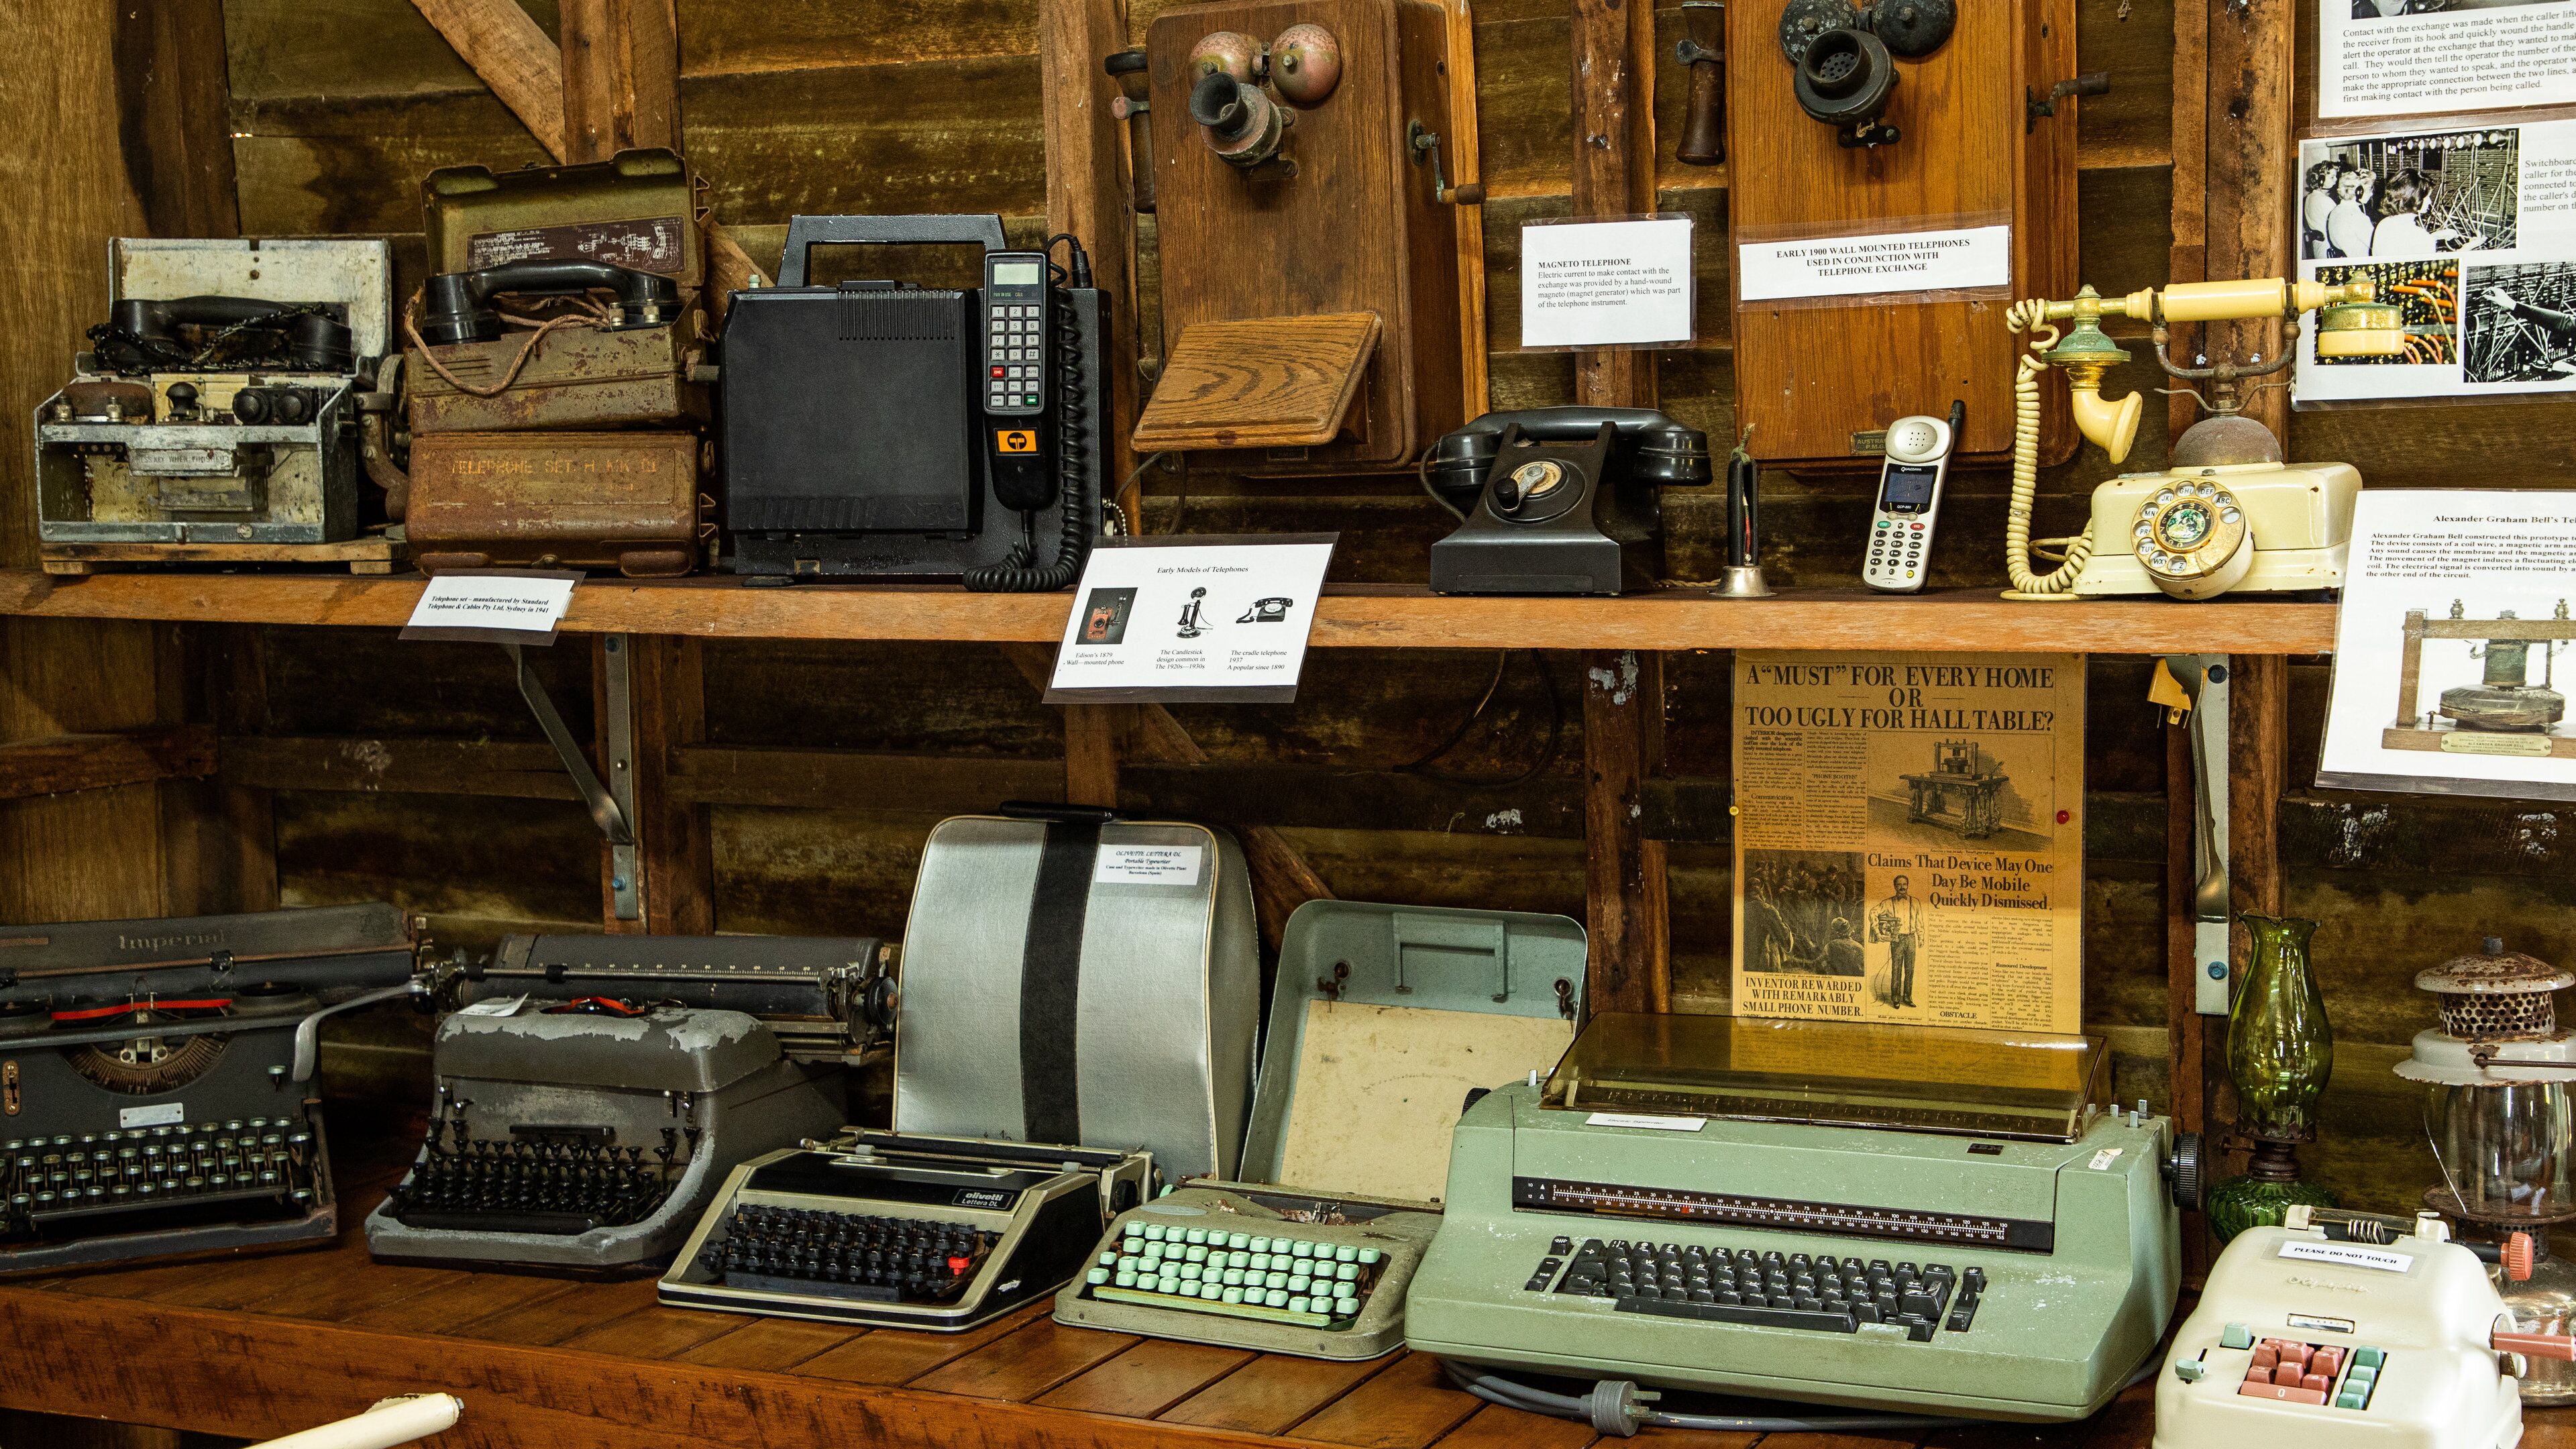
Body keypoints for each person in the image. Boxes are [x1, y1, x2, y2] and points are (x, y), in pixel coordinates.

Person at [2371, 168, 2464, 256]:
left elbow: (2405, 245)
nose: (2430, 202)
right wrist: (2464, 252)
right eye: (2427, 197)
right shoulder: (2420, 237)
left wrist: (2434, 237)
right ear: (2415, 199)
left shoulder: (2384, 224)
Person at [1868, 875, 1927, 1010]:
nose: (1902, 887)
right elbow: (1873, 912)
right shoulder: (1888, 903)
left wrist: (1921, 937)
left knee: (1910, 970)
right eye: (1899, 884)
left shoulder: (1915, 902)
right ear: (1895, 886)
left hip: (1911, 939)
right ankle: (1896, 998)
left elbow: (1919, 921)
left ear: (1908, 885)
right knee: (1896, 969)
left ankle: (1907, 997)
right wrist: (1877, 932)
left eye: (1904, 884)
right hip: (1897, 940)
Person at [2327, 168, 2377, 260]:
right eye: (2369, 190)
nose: (2371, 194)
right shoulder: (2358, 217)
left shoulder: (2335, 212)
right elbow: (2378, 244)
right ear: (2359, 192)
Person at [2302, 161, 2343, 260]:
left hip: (2317, 249)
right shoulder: (2325, 201)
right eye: (2332, 177)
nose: (2336, 179)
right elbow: (2340, 226)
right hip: (2329, 251)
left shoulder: (2309, 198)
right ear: (2321, 179)